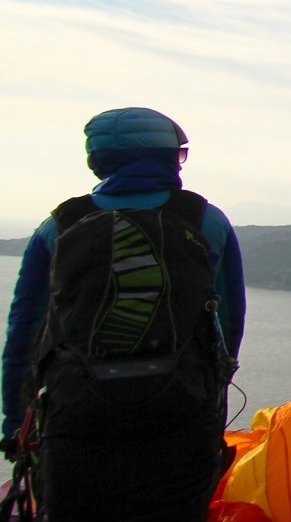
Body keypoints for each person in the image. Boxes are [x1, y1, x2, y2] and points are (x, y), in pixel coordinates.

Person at [1, 107, 246, 518]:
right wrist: (211, 390)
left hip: (76, 417)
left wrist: (14, 422)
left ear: (97, 161)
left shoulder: (58, 226)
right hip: (182, 412)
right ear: (169, 158)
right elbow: (229, 324)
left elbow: (23, 332)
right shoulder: (206, 220)